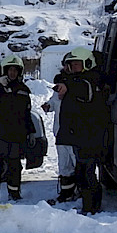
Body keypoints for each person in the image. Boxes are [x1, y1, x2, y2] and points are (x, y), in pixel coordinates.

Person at [52, 47, 111, 214]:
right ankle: (89, 205)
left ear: (87, 64)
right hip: (80, 136)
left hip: (90, 137)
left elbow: (81, 88)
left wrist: (66, 83)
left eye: (76, 64)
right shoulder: (78, 79)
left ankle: (92, 207)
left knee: (87, 174)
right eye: (71, 65)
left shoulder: (89, 81)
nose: (72, 68)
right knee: (82, 172)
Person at [0, 55, 35, 202]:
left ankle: (14, 193)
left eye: (15, 70)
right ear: (4, 70)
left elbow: (26, 113)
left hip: (16, 134)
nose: (12, 73)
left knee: (15, 166)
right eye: (10, 70)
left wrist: (31, 132)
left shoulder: (23, 90)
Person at [45, 66, 79, 204]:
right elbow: (53, 102)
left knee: (78, 163)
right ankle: (66, 193)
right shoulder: (59, 86)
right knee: (64, 165)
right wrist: (48, 106)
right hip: (60, 133)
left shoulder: (77, 86)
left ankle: (81, 192)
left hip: (75, 133)